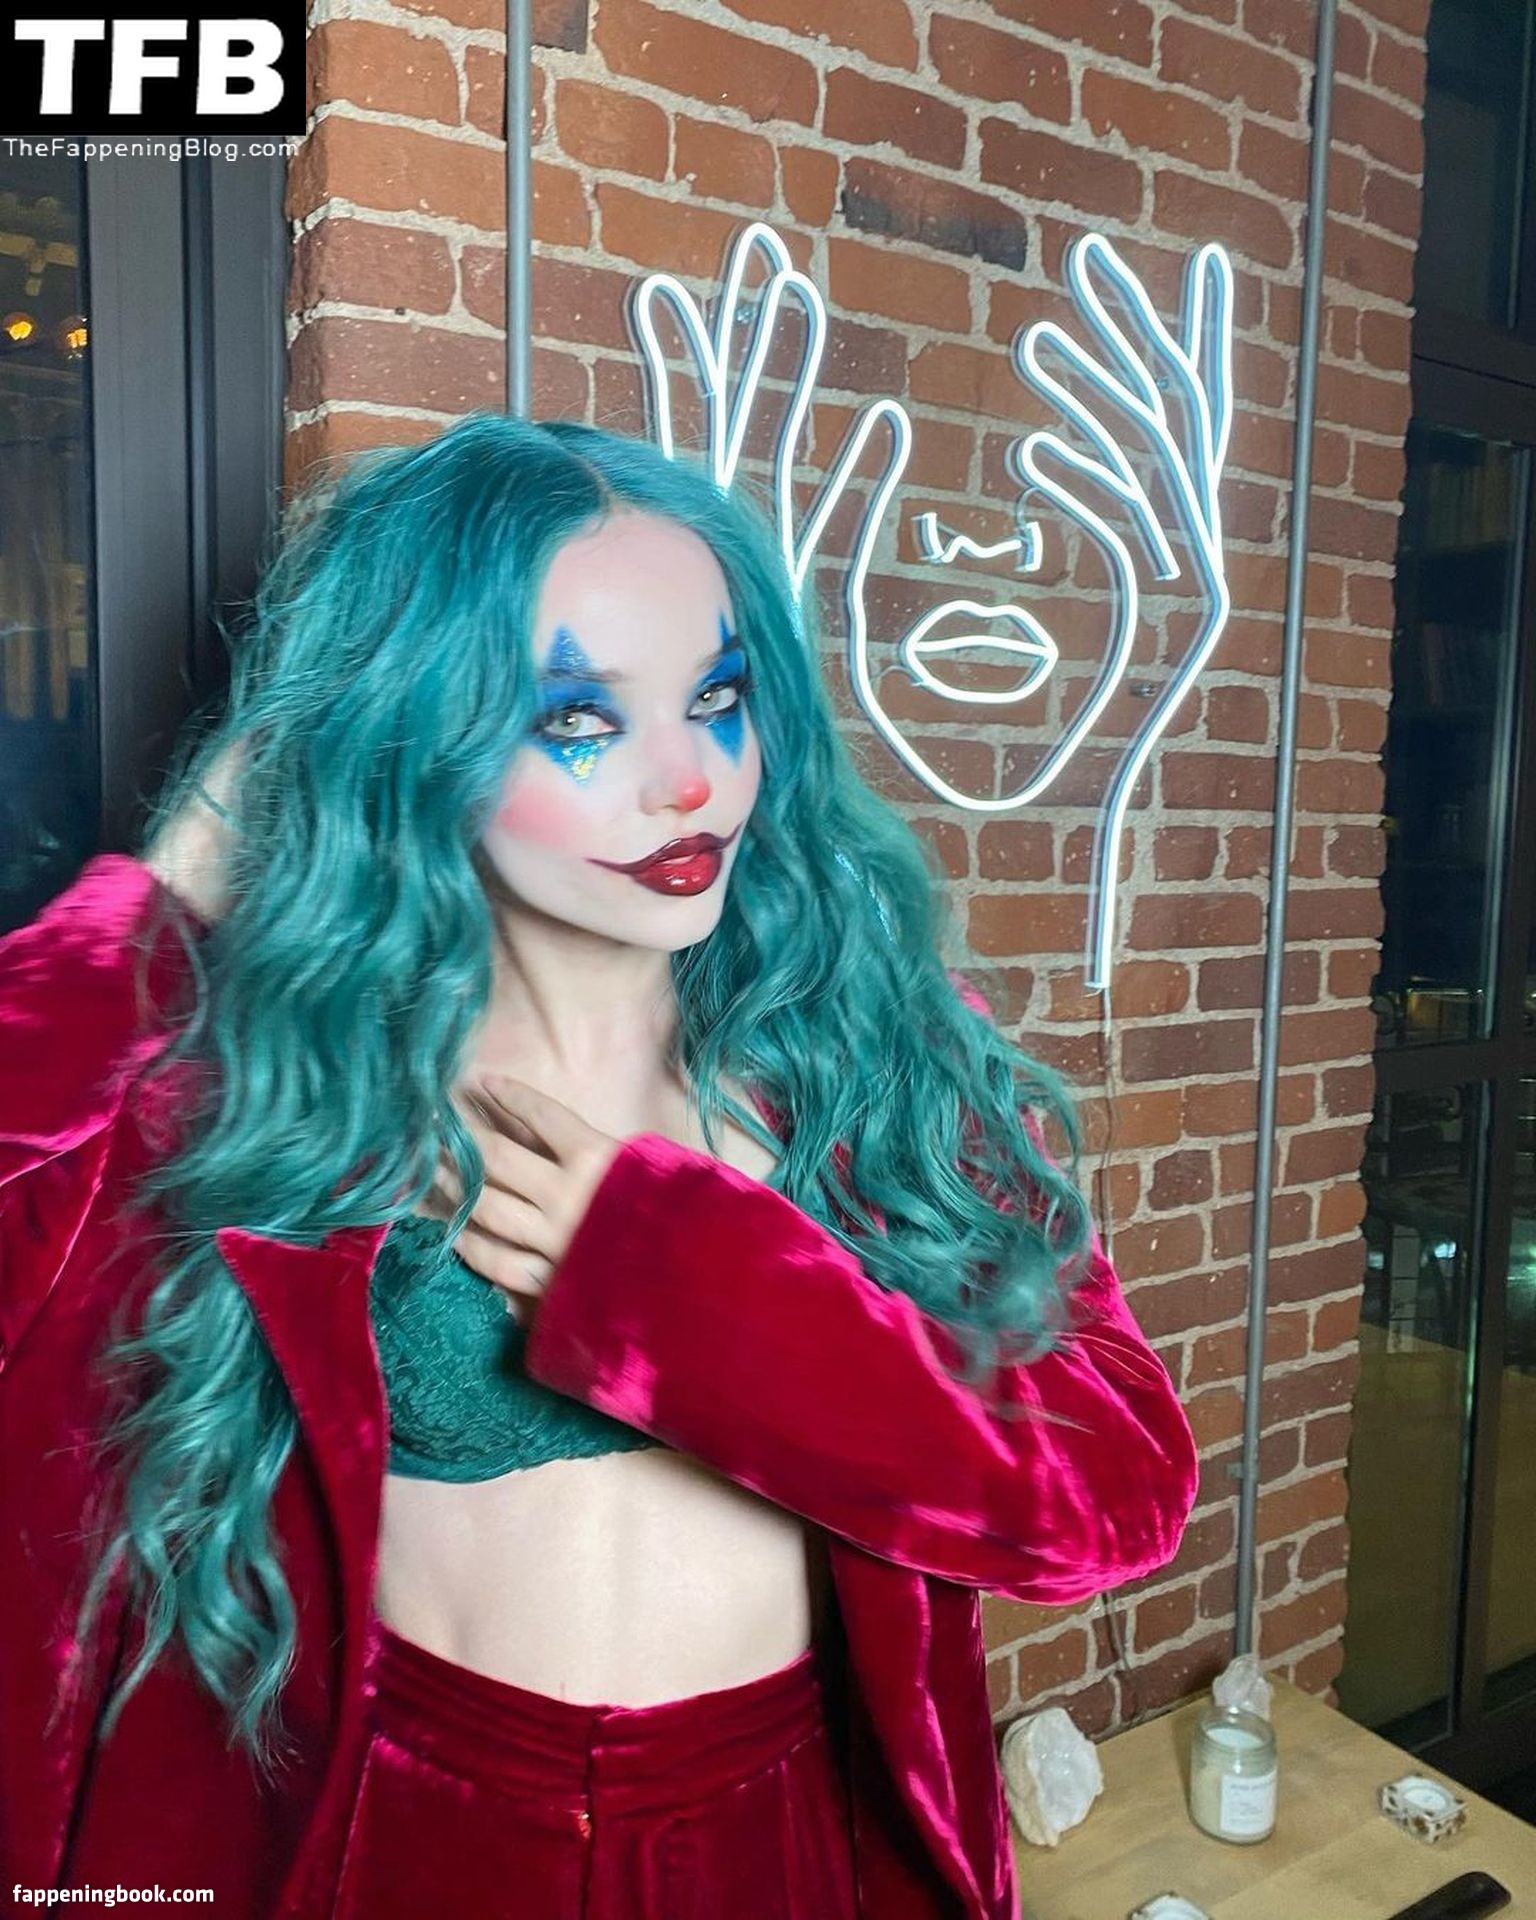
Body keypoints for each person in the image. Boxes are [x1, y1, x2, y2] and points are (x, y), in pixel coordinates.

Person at [0, 413, 1199, 1920]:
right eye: (579, 719)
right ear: (415, 736)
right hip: (410, 1837)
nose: (689, 782)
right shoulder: (299, 1082)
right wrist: (172, 889)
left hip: (789, 1832)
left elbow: (1118, 1489)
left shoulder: (870, 1051)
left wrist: (704, 1302)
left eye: (718, 698)